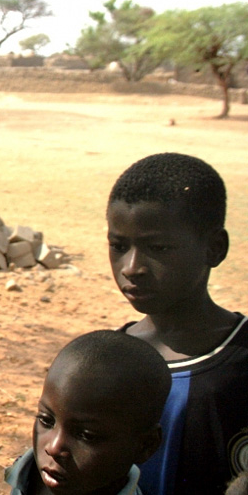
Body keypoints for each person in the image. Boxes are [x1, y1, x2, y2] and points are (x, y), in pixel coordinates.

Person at [107, 152, 247, 494]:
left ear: (214, 248)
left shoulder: (242, 359)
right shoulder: (105, 361)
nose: (131, 266)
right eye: (118, 245)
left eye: (158, 248)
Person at [4, 330, 171, 495]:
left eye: (86, 435)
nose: (54, 448)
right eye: (46, 420)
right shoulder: (26, 472)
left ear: (145, 446)